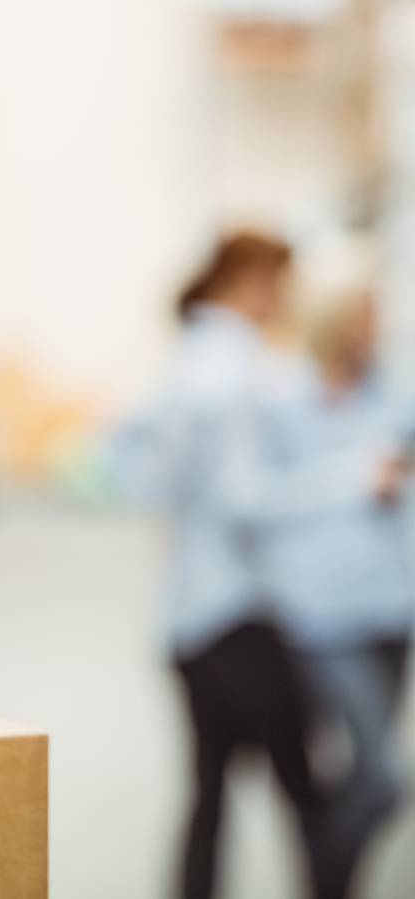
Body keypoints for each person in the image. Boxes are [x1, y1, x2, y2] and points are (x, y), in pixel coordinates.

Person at [109, 232, 337, 899]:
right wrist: (351, 480)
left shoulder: (187, 361)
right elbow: (246, 498)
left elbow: (136, 462)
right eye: (282, 283)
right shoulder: (233, 371)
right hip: (239, 614)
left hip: (189, 613)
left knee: (210, 797)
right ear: (250, 279)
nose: (287, 301)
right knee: (305, 791)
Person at [262, 256, 413, 894]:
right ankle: (325, 883)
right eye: (364, 312)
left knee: (361, 774)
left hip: (392, 609)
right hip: (325, 614)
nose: (374, 325)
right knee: (381, 780)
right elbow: (261, 499)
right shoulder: (284, 401)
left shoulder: (394, 392)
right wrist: (353, 478)